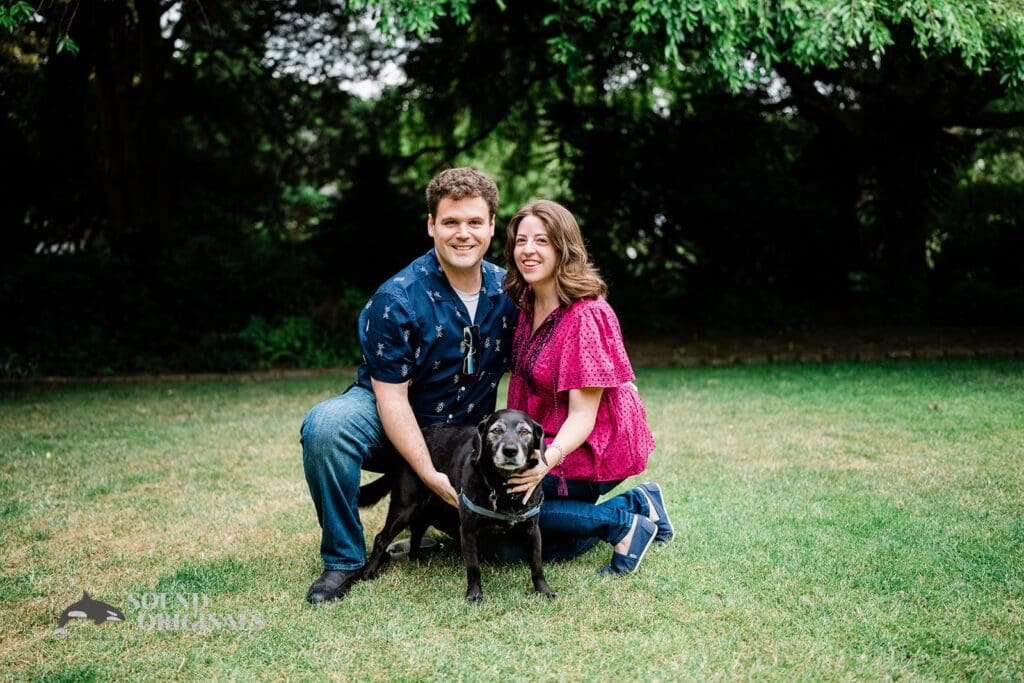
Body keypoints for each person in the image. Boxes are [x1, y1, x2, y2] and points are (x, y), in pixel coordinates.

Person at [300, 168, 517, 603]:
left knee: (505, 550)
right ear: (431, 225)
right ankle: (343, 559)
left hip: (462, 434)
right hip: (390, 417)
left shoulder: (510, 289)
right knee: (326, 425)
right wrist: (430, 475)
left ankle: (439, 529)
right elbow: (392, 400)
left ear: (492, 226)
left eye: (475, 222)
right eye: (451, 222)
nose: (463, 234)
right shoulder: (397, 298)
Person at [502, 199, 674, 575]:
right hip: (550, 435)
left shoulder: (585, 315)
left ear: (564, 248)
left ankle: (622, 523)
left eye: (542, 241)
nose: (528, 250)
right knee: (509, 534)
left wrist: (543, 463)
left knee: (517, 517)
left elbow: (583, 416)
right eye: (521, 241)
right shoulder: (527, 302)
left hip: (594, 443)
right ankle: (640, 502)